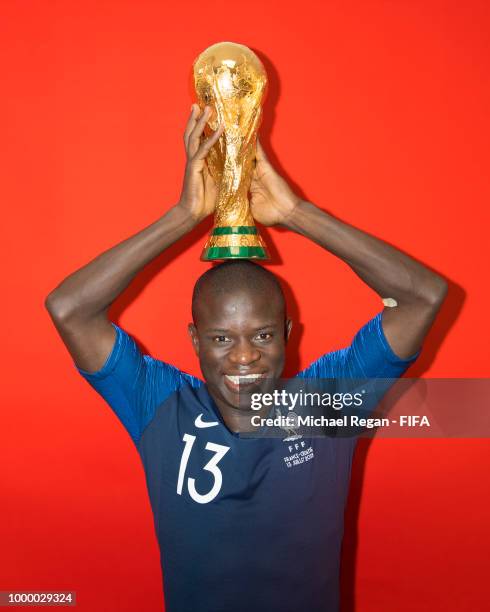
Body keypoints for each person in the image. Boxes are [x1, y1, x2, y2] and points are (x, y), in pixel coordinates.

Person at [45, 104, 447, 612]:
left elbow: (424, 296)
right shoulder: (158, 405)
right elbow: (68, 309)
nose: (244, 358)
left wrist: (298, 214)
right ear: (194, 339)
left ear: (286, 333)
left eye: (261, 336)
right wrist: (183, 217)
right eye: (220, 339)